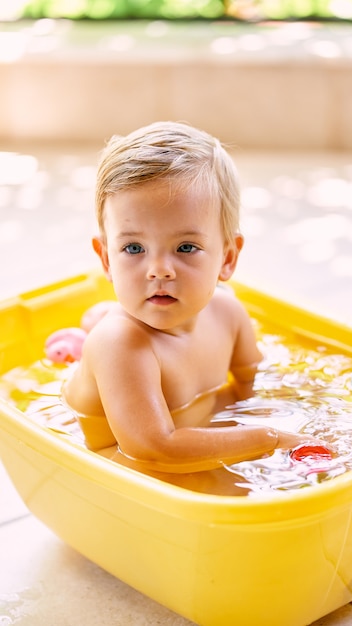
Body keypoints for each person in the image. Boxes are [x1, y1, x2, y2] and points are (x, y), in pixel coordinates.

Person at [63, 121, 322, 473]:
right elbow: (154, 449)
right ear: (107, 258)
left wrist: (306, 411)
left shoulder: (227, 313)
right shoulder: (120, 343)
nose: (159, 270)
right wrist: (271, 440)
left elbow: (255, 384)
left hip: (190, 434)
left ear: (227, 257)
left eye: (186, 247)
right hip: (121, 462)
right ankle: (89, 339)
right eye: (133, 247)